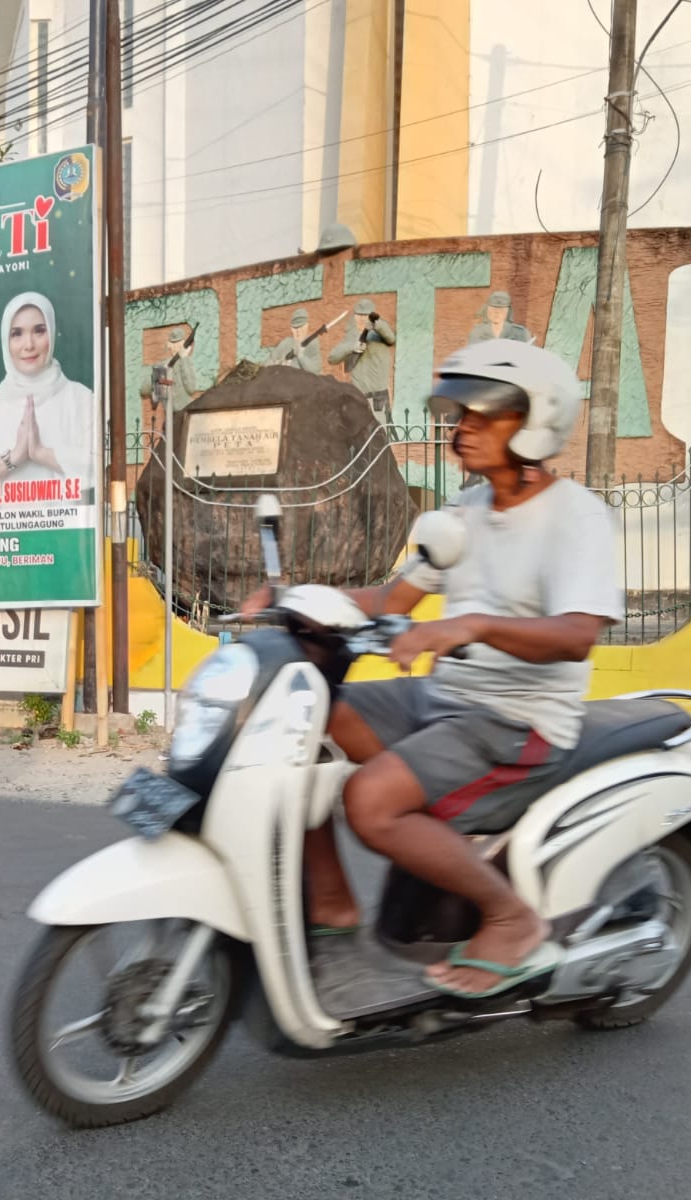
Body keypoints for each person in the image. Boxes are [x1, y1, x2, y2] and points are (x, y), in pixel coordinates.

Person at [241, 341, 623, 1001]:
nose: (461, 428)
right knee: (304, 722)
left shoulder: (576, 517)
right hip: (446, 694)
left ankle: (511, 919)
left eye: (481, 416)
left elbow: (577, 635)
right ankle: (331, 904)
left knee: (370, 802)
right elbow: (393, 602)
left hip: (518, 718)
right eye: (458, 414)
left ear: (533, 420)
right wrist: (291, 598)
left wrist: (472, 625)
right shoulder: (464, 511)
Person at [0, 292, 95, 487]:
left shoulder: (81, 400)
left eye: (39, 331)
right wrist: (13, 458)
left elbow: (103, 466)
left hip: (69, 518)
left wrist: (41, 453)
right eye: (17, 334)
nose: (28, 345)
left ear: (52, 333)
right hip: (1, 519)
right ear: (6, 340)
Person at [328, 298, 396, 421]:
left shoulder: (379, 333)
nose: (362, 318)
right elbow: (332, 358)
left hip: (378, 397)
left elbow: (391, 338)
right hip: (359, 396)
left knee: (381, 432)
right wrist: (351, 347)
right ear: (355, 316)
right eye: (359, 315)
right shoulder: (350, 338)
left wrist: (377, 325)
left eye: (366, 315)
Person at [467, 290, 534, 345]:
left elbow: (530, 356)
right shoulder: (477, 332)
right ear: (487, 310)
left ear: (508, 311)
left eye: (501, 310)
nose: (497, 313)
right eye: (493, 308)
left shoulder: (521, 333)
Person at [267, 309, 323, 374]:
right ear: (291, 328)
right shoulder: (286, 343)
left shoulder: (312, 342)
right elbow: (268, 363)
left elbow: (316, 370)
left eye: (301, 327)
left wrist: (301, 356)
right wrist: (277, 365)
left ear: (307, 326)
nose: (298, 331)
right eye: (295, 328)